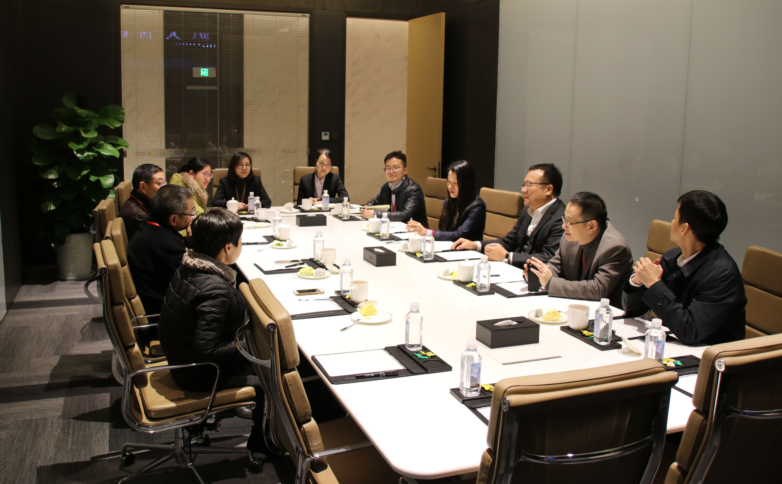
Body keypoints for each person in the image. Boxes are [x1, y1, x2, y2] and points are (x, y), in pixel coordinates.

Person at [156, 208, 266, 451]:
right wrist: (249, 347)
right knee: (271, 376)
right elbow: (207, 350)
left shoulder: (189, 266)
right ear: (228, 247)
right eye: (239, 241)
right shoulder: (215, 289)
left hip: (179, 357)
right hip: (198, 374)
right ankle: (265, 444)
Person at [623, 191, 746, 345]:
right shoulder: (672, 257)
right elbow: (634, 311)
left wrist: (654, 284)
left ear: (684, 228)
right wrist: (638, 281)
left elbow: (690, 330)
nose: (672, 222)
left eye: (675, 217)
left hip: (710, 353)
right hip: (674, 343)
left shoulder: (722, 274)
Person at [526, 192, 633, 308]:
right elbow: (556, 265)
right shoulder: (569, 237)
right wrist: (539, 274)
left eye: (570, 222)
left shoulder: (614, 247)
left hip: (607, 314)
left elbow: (598, 289)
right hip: (576, 306)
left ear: (591, 226)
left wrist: (551, 283)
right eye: (564, 219)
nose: (564, 226)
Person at [451, 163, 565, 267]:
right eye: (524, 185)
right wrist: (475, 245)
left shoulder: (561, 218)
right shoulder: (527, 211)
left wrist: (508, 256)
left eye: (529, 185)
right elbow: (510, 241)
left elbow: (549, 257)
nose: (524, 190)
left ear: (548, 189)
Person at [128, 185, 194, 317]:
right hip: (166, 312)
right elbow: (189, 282)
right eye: (192, 213)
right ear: (173, 219)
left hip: (161, 297)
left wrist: (190, 239)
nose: (193, 217)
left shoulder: (152, 224)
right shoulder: (164, 243)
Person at [405, 160, 485, 241]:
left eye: (455, 183)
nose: (450, 186)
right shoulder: (448, 201)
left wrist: (427, 232)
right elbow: (443, 229)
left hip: (468, 248)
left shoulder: (477, 206)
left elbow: (460, 234)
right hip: (448, 245)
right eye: (449, 181)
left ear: (467, 184)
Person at [360, 151, 428, 227]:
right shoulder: (386, 187)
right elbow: (374, 202)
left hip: (414, 231)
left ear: (405, 170)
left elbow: (405, 215)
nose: (391, 171)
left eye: (396, 168)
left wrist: (375, 214)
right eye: (388, 168)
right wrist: (365, 208)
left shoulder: (413, 189)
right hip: (392, 228)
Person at [119, 164, 166, 240]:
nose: (164, 188)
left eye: (164, 183)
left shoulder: (139, 201)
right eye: (160, 183)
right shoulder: (138, 217)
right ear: (143, 187)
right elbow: (161, 240)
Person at [169, 157, 212, 225]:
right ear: (191, 173)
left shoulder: (194, 187)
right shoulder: (181, 186)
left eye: (210, 175)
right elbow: (197, 213)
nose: (208, 178)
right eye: (205, 174)